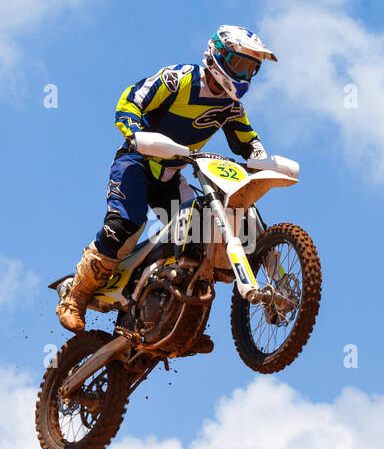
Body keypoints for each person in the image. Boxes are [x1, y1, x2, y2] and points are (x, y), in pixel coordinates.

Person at [56, 25, 286, 344]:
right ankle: (75, 297)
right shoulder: (178, 79)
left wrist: (263, 159)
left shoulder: (231, 107)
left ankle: (179, 319)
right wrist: (135, 132)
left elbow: (248, 142)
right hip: (137, 163)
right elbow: (131, 100)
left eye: (252, 69)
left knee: (200, 232)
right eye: (240, 65)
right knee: (124, 226)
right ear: (218, 55)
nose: (245, 75)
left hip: (173, 173)